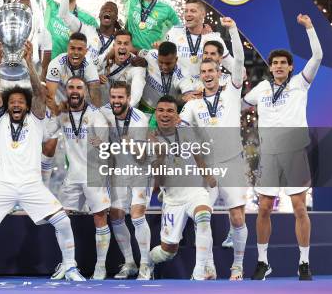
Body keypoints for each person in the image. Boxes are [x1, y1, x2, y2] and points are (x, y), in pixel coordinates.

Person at [0, 41, 85, 282]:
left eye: (20, 102)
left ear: (27, 106)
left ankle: (69, 267)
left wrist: (28, 62)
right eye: (13, 101)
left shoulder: (36, 119)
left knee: (63, 221)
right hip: (4, 185)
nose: (16, 104)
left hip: (31, 185)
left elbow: (39, 92)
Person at [244, 14, 321, 281]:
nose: (278, 66)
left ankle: (304, 262)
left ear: (290, 67)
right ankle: (263, 261)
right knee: (264, 207)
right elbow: (239, 104)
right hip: (268, 155)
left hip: (295, 153)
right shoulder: (261, 89)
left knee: (299, 207)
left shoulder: (301, 83)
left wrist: (309, 27)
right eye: (274, 63)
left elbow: (318, 57)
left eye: (282, 64)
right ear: (270, 67)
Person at [179, 17, 247, 280]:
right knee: (202, 217)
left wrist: (232, 30)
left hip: (232, 163)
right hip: (205, 168)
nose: (207, 75)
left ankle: (237, 266)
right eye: (203, 72)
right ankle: (207, 266)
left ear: (219, 71)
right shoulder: (194, 104)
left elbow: (239, 61)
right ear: (200, 75)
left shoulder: (231, 90)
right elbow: (179, 127)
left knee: (238, 218)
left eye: (212, 71)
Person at [146, 95, 216, 280]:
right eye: (161, 110)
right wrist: (160, 157)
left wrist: (208, 176)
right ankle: (148, 261)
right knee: (168, 251)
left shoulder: (188, 132)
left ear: (177, 116)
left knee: (203, 216)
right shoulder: (150, 142)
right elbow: (158, 184)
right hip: (172, 199)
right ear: (156, 113)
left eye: (170, 111)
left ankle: (200, 271)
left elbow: (199, 157)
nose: (165, 114)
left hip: (195, 192)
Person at [53, 76, 111, 280]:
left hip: (93, 173)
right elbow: (47, 134)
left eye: (79, 87)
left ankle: (101, 266)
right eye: (71, 87)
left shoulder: (96, 116)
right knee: (60, 218)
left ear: (85, 92)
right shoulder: (61, 115)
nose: (75, 91)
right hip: (72, 176)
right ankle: (67, 263)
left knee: (99, 218)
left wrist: (101, 144)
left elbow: (107, 146)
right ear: (66, 91)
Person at [100, 82, 152, 280]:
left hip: (139, 170)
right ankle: (130, 262)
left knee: (137, 216)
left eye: (120, 97)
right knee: (116, 215)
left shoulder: (139, 120)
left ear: (128, 99)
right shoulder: (105, 113)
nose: (116, 101)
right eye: (113, 97)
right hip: (118, 172)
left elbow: (140, 157)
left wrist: (130, 143)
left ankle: (146, 264)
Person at [58, 0, 121, 70]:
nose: (107, 10)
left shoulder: (120, 41)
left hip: (105, 82)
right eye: (104, 9)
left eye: (111, 10)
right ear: (99, 15)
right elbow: (64, 14)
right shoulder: (87, 30)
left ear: (116, 18)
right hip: (83, 79)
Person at [165, 0, 232, 79]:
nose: (188, 14)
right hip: (177, 88)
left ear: (203, 14)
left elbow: (230, 64)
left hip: (202, 88)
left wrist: (240, 71)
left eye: (193, 11)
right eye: (186, 11)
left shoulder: (214, 38)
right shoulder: (174, 33)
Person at [137, 42, 196, 124]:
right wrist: (137, 60)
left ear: (176, 59)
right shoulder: (151, 55)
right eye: (160, 62)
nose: (164, 67)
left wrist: (182, 99)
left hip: (166, 114)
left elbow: (189, 97)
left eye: (168, 63)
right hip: (144, 107)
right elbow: (137, 51)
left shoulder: (183, 74)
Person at [45, 33, 102, 111]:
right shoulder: (56, 65)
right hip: (58, 105)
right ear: (67, 49)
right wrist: (57, 113)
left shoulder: (90, 65)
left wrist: (94, 118)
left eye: (80, 49)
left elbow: (96, 98)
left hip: (79, 106)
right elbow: (50, 97)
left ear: (86, 51)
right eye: (72, 48)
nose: (75, 52)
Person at [99, 30, 145, 107]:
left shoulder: (137, 67)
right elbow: (91, 67)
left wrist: (124, 108)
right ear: (114, 46)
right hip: (105, 107)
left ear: (131, 46)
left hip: (125, 109)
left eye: (126, 44)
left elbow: (136, 94)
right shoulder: (106, 57)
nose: (122, 47)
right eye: (119, 43)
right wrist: (97, 77)